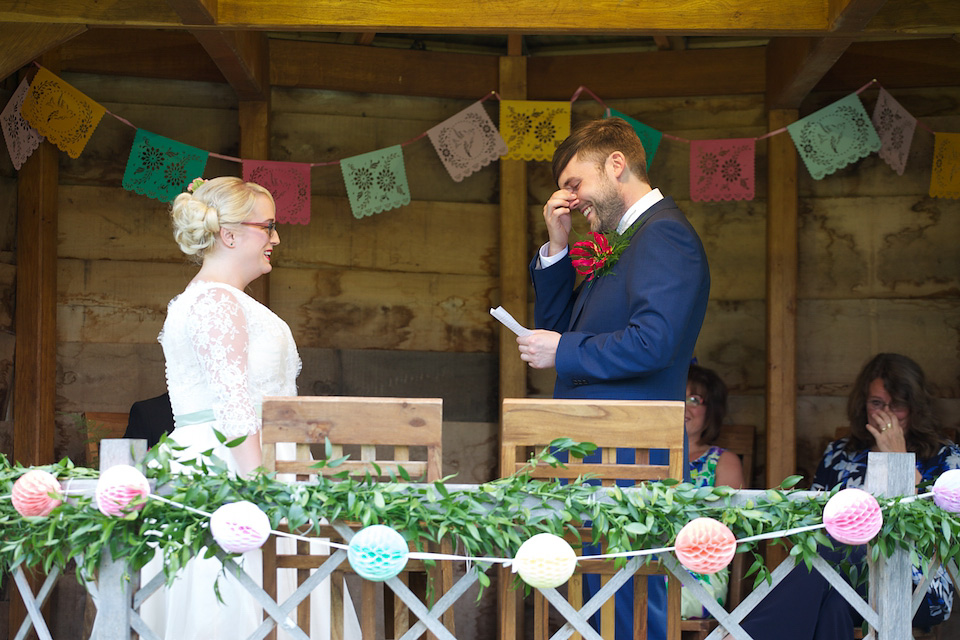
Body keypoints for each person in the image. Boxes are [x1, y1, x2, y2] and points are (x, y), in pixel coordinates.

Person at [139, 176, 360, 640]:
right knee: (235, 600)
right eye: (269, 226)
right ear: (230, 234)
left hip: (245, 456)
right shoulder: (216, 302)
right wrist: (260, 492)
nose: (276, 238)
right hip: (233, 466)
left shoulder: (218, 299)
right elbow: (232, 401)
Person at [516, 117, 711, 640]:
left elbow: (656, 342)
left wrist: (564, 351)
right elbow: (563, 327)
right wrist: (557, 246)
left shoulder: (665, 235)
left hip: (631, 458)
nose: (571, 200)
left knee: (629, 606)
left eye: (576, 184)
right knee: (594, 608)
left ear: (617, 165)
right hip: (595, 453)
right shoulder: (626, 237)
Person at [735, 353, 958, 639]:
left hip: (920, 584)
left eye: (898, 405)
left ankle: (740, 634)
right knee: (835, 604)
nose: (886, 414)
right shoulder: (840, 454)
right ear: (862, 404)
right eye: (877, 403)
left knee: (836, 547)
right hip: (847, 581)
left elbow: (945, 535)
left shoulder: (945, 457)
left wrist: (899, 458)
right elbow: (813, 524)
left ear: (915, 407)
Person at [682, 364, 743, 619]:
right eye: (677, 396)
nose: (683, 406)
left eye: (694, 399)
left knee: (635, 596)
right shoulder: (646, 456)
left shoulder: (723, 461)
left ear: (711, 412)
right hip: (648, 562)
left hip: (701, 569)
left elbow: (728, 530)